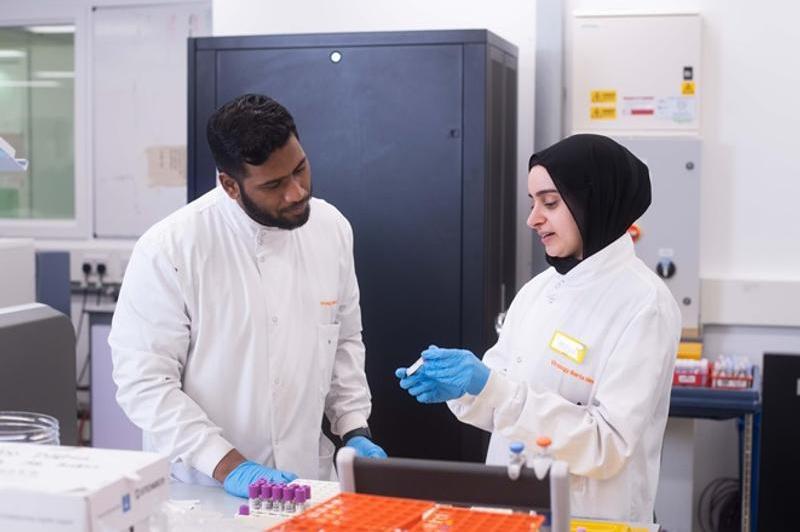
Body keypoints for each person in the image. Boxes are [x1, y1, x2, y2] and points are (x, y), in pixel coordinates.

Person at [110, 93, 386, 498]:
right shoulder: (170, 249)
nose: (296, 192)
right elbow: (145, 384)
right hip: (206, 490)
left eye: (300, 169)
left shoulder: (331, 228)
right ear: (230, 185)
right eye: (274, 184)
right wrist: (230, 466)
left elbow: (343, 341)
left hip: (307, 481)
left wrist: (354, 427)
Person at [396, 134, 681, 523]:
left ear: (594, 200)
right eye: (533, 203)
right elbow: (502, 399)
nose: (533, 219)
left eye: (550, 203)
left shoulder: (645, 304)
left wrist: (491, 388)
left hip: (589, 518)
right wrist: (463, 389)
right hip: (509, 510)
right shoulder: (538, 290)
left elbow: (609, 444)